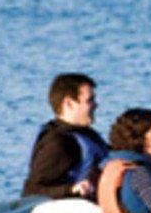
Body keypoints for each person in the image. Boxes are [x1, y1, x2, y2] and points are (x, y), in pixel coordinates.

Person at [22, 71, 107, 201]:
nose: (96, 105)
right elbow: (32, 191)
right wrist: (71, 189)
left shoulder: (87, 133)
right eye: (90, 100)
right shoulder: (59, 143)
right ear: (69, 104)